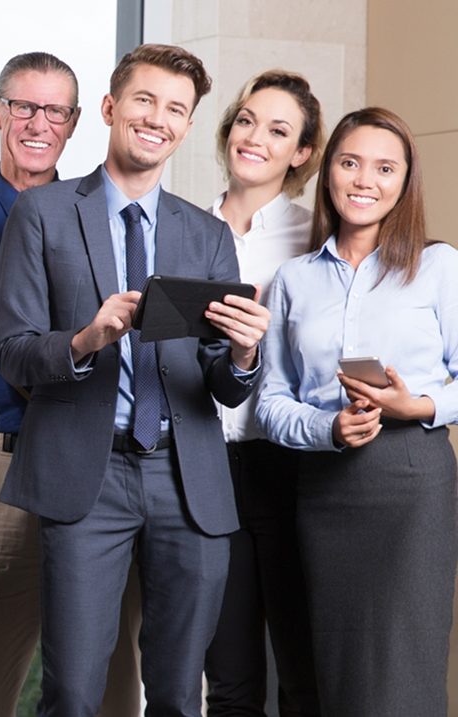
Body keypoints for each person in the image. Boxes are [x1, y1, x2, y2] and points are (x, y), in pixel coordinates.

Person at [0, 44, 271, 717]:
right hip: (88, 477)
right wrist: (88, 340)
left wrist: (241, 357)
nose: (158, 118)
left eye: (177, 109)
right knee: (73, 691)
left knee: (178, 693)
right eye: (144, 100)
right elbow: (13, 351)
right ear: (112, 108)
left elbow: (223, 385)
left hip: (187, 477)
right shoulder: (44, 214)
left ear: (187, 126)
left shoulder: (205, 233)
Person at [0, 51, 142, 717]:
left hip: (96, 471)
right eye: (24, 106)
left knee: (109, 684)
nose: (38, 123)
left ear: (76, 122)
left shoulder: (100, 219)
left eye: (55, 110)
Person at [255, 107, 458, 717]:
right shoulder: (292, 279)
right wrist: (327, 427)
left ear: (404, 182)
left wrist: (414, 404)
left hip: (413, 483)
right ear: (329, 174)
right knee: (332, 673)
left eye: (384, 167)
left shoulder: (439, 265)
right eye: (349, 163)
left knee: (404, 668)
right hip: (324, 485)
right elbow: (269, 400)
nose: (364, 179)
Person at [202, 70, 325, 717]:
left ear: (301, 153)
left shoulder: (315, 237)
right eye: (247, 120)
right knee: (229, 677)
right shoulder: (185, 230)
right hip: (204, 468)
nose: (255, 137)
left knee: (303, 672)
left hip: (291, 467)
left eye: (279, 130)